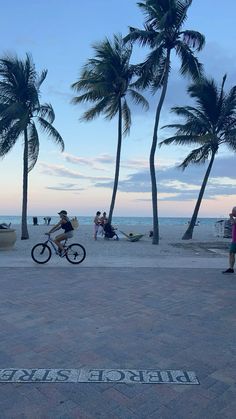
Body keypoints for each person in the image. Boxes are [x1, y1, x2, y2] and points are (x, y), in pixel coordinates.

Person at [222, 206, 236, 274]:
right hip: (234, 240)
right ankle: (231, 268)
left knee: (231, 253)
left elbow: (233, 223)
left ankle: (231, 268)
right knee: (231, 253)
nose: (232, 212)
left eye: (233, 211)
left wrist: (231, 216)